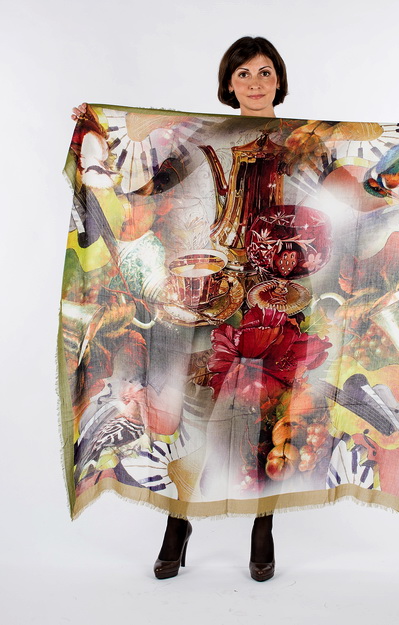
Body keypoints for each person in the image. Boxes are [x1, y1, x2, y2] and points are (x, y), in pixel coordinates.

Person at [70, 36, 288, 582]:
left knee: (265, 411)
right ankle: (177, 523)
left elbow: (358, 187)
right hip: (210, 286)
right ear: (229, 84)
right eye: (243, 74)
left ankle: (262, 528)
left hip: (280, 290)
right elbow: (148, 187)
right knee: (189, 409)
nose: (255, 82)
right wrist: (99, 134)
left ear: (279, 80)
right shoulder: (202, 136)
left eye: (265, 72)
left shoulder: (308, 138)